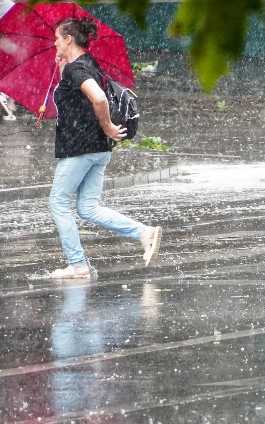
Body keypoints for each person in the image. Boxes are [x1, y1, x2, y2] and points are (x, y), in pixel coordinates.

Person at [48, 17, 162, 279]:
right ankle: (145, 233)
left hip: (81, 147)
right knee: (87, 208)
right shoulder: (88, 64)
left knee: (58, 202)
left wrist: (108, 124)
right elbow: (86, 97)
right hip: (99, 148)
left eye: (57, 38)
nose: (54, 42)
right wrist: (65, 68)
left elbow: (99, 98)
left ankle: (77, 265)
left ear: (68, 39)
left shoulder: (77, 70)